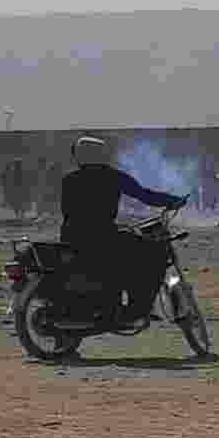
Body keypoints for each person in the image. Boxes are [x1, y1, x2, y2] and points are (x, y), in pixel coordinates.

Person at [60, 136, 187, 325]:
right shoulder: (112, 176)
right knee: (155, 255)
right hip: (103, 238)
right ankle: (136, 309)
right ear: (101, 155)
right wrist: (173, 200)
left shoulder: (69, 179)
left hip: (72, 239)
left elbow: (68, 211)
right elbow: (144, 195)